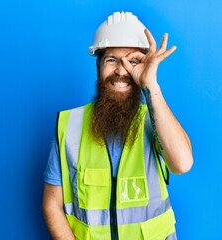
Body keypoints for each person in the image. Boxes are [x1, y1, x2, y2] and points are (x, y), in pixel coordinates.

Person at [42, 11, 193, 240]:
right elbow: (52, 202)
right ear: (98, 67)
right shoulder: (69, 125)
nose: (122, 71)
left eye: (133, 61)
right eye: (111, 60)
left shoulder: (155, 121)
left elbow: (182, 164)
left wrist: (150, 84)